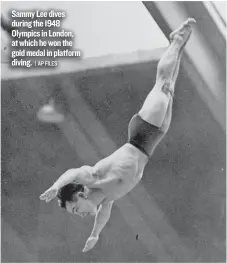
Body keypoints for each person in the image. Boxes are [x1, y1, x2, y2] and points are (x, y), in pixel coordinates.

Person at [40, 18, 196, 252]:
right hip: (152, 142)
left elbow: (72, 172)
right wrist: (95, 234)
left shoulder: (92, 178)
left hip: (141, 134)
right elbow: (103, 215)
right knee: (169, 86)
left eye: (76, 209)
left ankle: (176, 41)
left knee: (163, 84)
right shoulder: (105, 198)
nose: (80, 215)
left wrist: (56, 186)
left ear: (80, 194)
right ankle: (181, 43)